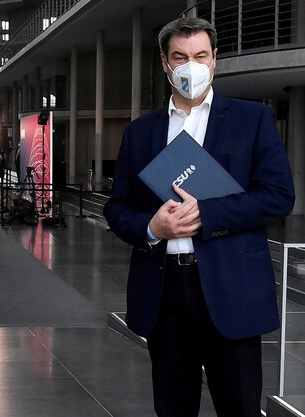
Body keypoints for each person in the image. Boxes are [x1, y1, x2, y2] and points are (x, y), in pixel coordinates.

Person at [103, 17, 294, 417]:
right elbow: (117, 207)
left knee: (240, 406)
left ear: (214, 59)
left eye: (200, 55)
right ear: (165, 63)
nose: (191, 65)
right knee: (173, 406)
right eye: (181, 57)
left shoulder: (251, 119)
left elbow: (278, 196)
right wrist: (151, 227)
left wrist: (207, 213)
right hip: (164, 290)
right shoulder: (140, 132)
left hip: (231, 288)